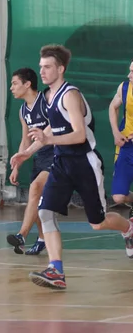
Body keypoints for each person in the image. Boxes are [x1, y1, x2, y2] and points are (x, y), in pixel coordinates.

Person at [10, 44, 133, 290]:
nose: (42, 71)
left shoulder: (70, 94)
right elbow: (49, 130)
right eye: (41, 66)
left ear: (61, 69)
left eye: (47, 67)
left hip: (85, 162)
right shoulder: (47, 97)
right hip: (61, 163)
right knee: (45, 212)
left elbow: (78, 135)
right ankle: (56, 269)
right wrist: (26, 153)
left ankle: (129, 229)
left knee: (97, 223)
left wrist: (49, 140)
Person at [6, 68, 51, 256]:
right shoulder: (23, 110)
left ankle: (22, 235)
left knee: (35, 190)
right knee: (38, 200)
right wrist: (17, 164)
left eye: (14, 83)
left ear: (27, 84)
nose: (11, 88)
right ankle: (42, 238)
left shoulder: (46, 101)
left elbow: (57, 126)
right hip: (39, 157)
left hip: (57, 153)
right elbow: (25, 140)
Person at [108, 60, 133, 230]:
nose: (129, 75)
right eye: (130, 70)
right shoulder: (124, 87)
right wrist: (116, 132)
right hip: (127, 146)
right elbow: (113, 106)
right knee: (118, 197)